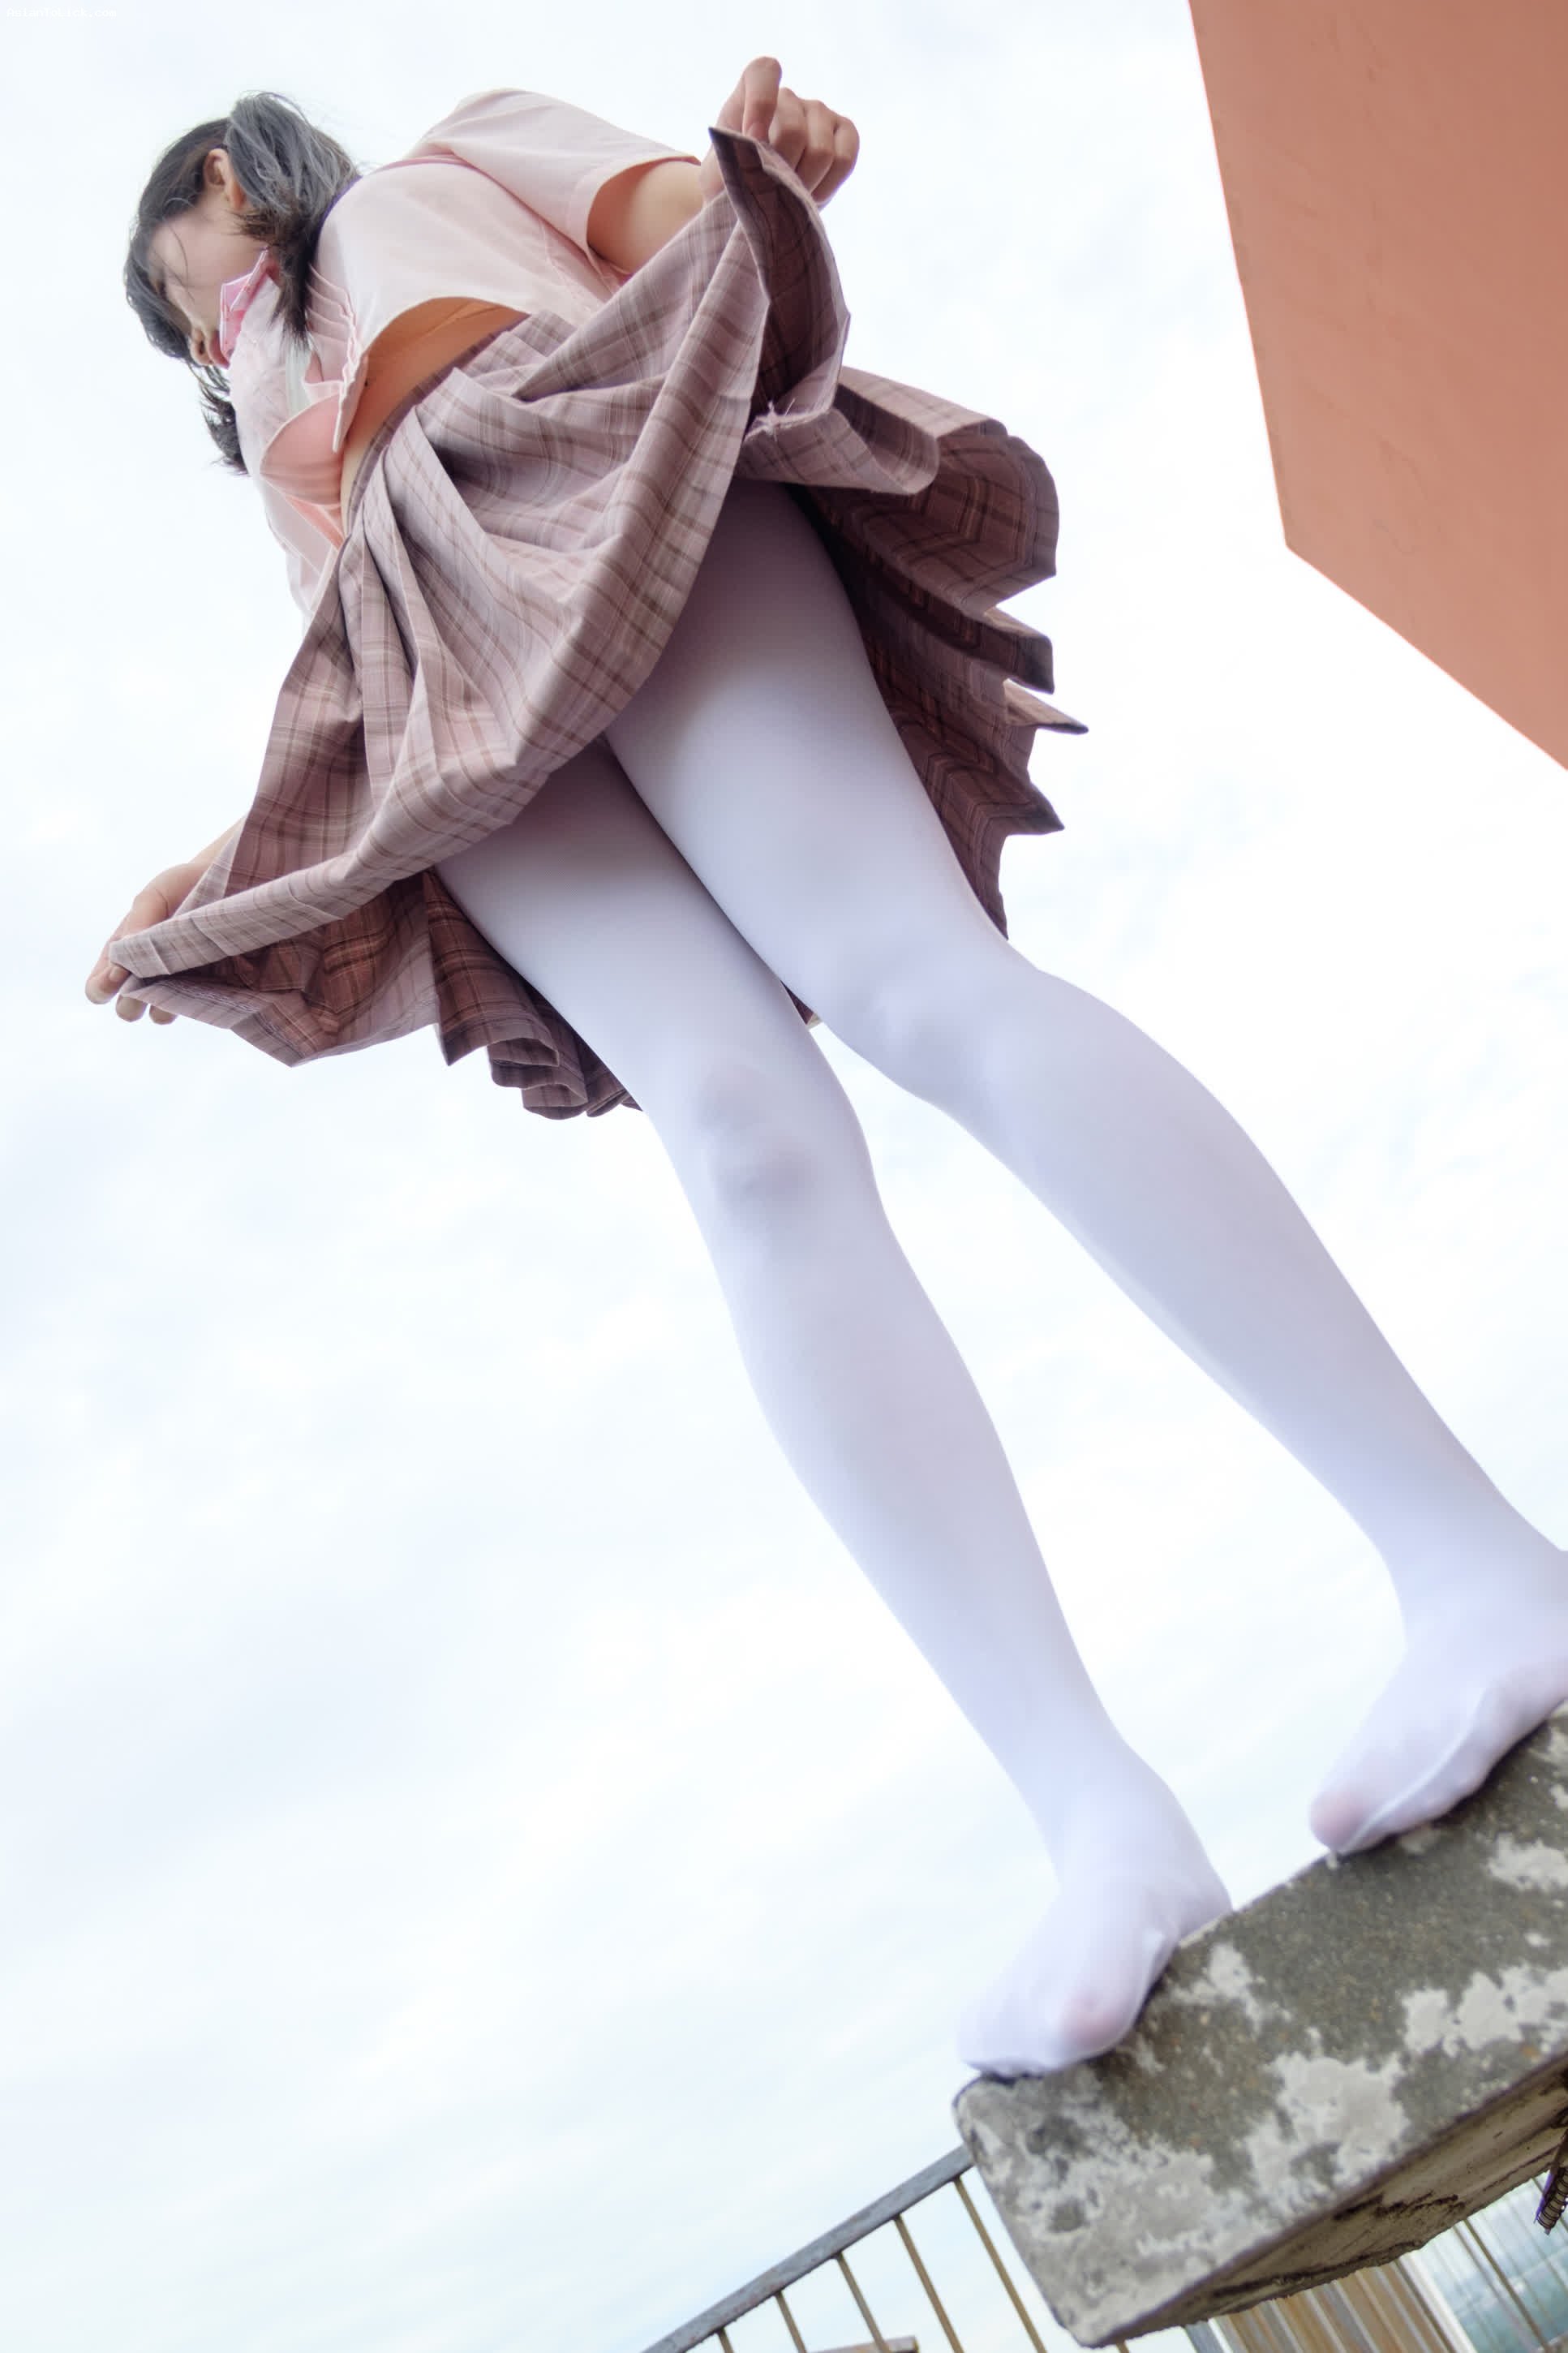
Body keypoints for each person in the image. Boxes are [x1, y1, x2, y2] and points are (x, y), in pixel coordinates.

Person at [87, 59, 1568, 2081]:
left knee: (907, 979)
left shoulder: (441, 165)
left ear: (218, 183)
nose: (194, 334)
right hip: (432, 684)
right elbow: (354, 646)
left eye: (178, 290)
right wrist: (221, 866)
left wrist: (764, 191)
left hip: (594, 466)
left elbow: (674, 230)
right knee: (742, 1144)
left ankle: (1472, 1560)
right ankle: (1095, 1817)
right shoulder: (288, 444)